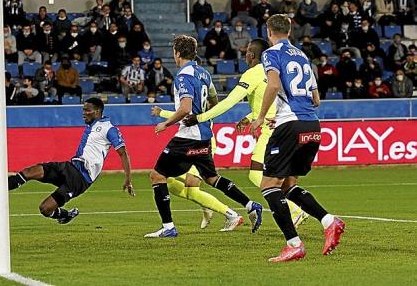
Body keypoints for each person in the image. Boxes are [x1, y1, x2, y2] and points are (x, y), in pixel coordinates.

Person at [144, 35, 263, 238]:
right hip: (205, 135)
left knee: (157, 176)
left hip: (187, 136)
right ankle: (250, 204)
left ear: (177, 53)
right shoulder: (204, 74)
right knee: (211, 178)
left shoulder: (183, 76)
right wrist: (205, 119)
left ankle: (168, 226)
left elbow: (185, 108)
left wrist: (165, 123)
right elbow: (214, 100)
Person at [183, 38, 309, 227]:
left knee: (257, 175)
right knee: (283, 177)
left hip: (272, 130)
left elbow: (228, 102)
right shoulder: (276, 71)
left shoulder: (253, 74)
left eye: (247, 52)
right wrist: (251, 117)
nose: (245, 55)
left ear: (251, 55)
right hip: (293, 125)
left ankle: (295, 211)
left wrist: (200, 118)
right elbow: (275, 101)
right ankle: (301, 210)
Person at [250, 14, 345, 262]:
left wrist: (261, 117)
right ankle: (329, 220)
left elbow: (272, 86)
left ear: (269, 31)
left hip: (290, 125)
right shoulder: (303, 56)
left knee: (268, 185)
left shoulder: (271, 53)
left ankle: (294, 245)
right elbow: (315, 100)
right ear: (290, 30)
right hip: (311, 124)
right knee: (287, 185)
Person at [0, 98, 135, 224]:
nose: (84, 113)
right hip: (70, 166)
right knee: (30, 171)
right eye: (83, 110)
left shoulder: (109, 129)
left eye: (87, 110)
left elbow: (123, 153)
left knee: (45, 209)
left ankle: (64, 215)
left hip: (81, 178)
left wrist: (128, 179)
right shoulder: (92, 125)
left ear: (98, 111)